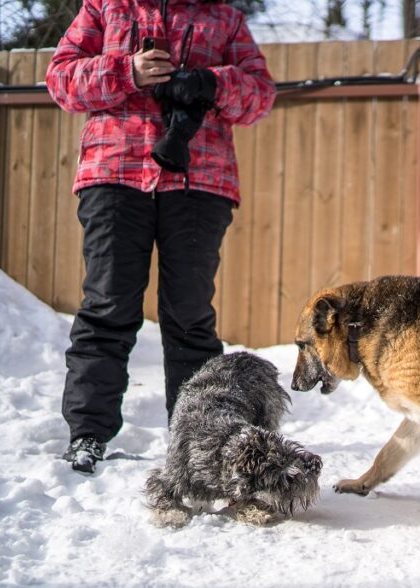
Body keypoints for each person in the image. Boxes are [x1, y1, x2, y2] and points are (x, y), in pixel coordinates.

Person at [46, 0, 276, 474]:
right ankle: (87, 434)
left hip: (201, 180)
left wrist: (215, 83)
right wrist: (126, 70)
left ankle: (197, 438)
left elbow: (260, 96)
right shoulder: (105, 8)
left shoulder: (225, 18)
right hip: (113, 173)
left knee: (191, 316)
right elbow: (61, 80)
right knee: (107, 307)